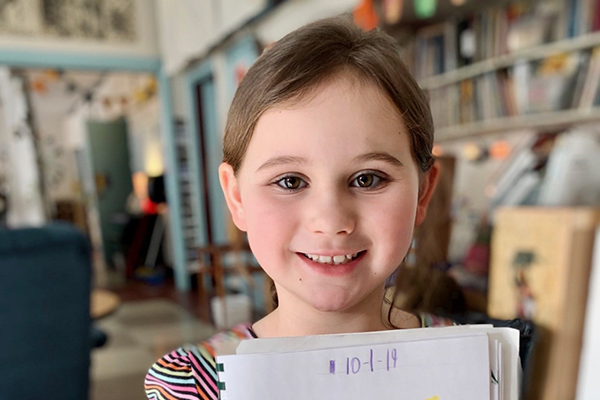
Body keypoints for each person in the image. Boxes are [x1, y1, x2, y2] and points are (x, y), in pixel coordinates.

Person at [145, 15, 450, 400]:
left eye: (368, 178)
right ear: (237, 197)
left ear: (423, 193)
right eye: (290, 181)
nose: (331, 222)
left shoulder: (471, 360)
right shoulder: (197, 384)